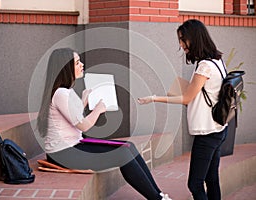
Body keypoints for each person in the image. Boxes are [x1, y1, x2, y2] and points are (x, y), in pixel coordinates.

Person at [37, 48, 172, 200]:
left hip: (72, 147)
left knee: (129, 147)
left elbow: (72, 118)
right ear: (65, 68)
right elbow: (83, 125)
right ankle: (157, 198)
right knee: (123, 154)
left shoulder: (63, 92)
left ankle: (159, 194)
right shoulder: (61, 93)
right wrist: (98, 110)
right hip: (63, 154)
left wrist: (83, 102)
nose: (82, 64)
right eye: (77, 62)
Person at [138, 19, 228, 200]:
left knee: (195, 184)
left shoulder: (205, 66)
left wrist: (154, 98)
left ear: (194, 38)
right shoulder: (217, 60)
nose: (181, 44)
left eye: (182, 40)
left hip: (207, 132)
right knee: (211, 179)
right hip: (218, 128)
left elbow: (187, 98)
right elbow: (204, 93)